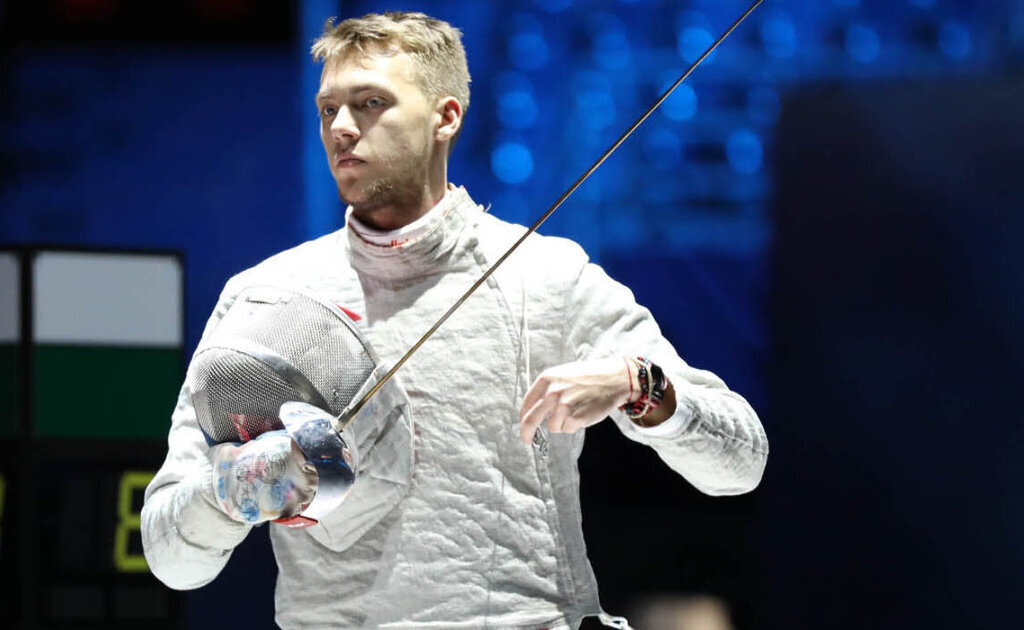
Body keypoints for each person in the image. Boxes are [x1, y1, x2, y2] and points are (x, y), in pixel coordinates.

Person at [141, 11, 767, 630]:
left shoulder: (548, 276)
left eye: (370, 103)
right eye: (329, 109)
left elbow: (740, 463)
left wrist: (639, 384)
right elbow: (171, 559)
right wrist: (232, 491)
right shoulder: (267, 298)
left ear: (446, 117)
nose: (342, 128)